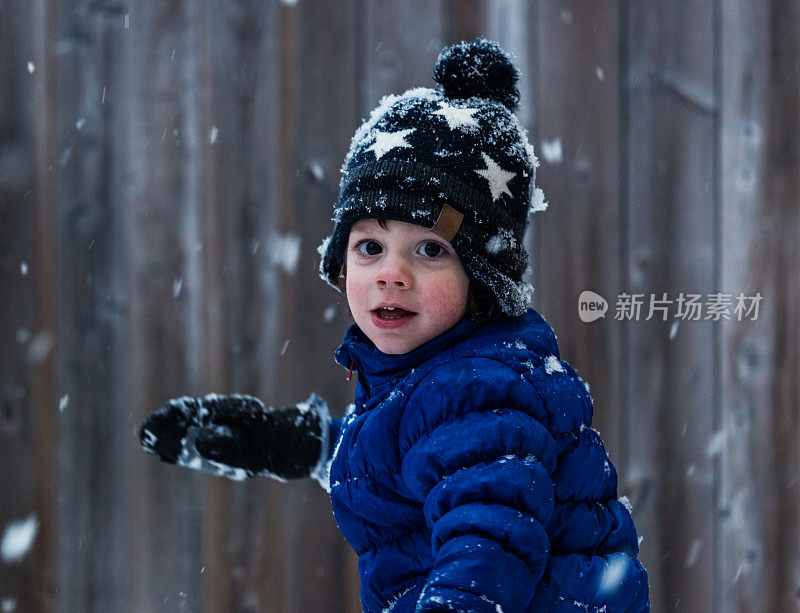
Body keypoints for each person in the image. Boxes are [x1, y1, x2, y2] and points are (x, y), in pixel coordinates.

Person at [140, 39, 650, 612]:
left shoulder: (476, 389)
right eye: (370, 246)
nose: (392, 274)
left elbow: (486, 544)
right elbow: (409, 457)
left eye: (430, 249)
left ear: (481, 278)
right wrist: (294, 444)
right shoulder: (438, 376)